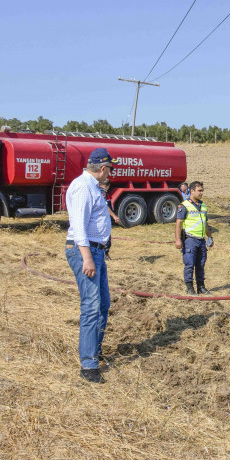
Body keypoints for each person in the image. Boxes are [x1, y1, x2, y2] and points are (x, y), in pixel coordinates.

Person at [65, 147, 117, 383]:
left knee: (103, 304)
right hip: (86, 252)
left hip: (97, 252)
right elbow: (78, 227)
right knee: (92, 306)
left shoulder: (93, 187)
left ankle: (94, 349)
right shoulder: (82, 187)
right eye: (110, 169)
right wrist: (86, 257)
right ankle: (88, 365)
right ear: (103, 168)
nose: (111, 173)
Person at [174, 181, 213, 295]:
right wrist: (178, 240)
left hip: (201, 240)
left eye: (202, 191)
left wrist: (210, 237)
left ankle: (201, 287)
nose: (201, 193)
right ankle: (189, 288)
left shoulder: (203, 206)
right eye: (199, 191)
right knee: (189, 264)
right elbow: (178, 224)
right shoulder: (184, 205)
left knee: (201, 264)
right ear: (192, 191)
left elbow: (205, 223)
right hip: (190, 240)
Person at [98, 179, 120, 259]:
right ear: (108, 186)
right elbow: (105, 206)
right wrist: (114, 216)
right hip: (103, 218)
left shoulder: (97, 190)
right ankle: (105, 254)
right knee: (106, 236)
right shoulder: (103, 193)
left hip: (99, 218)